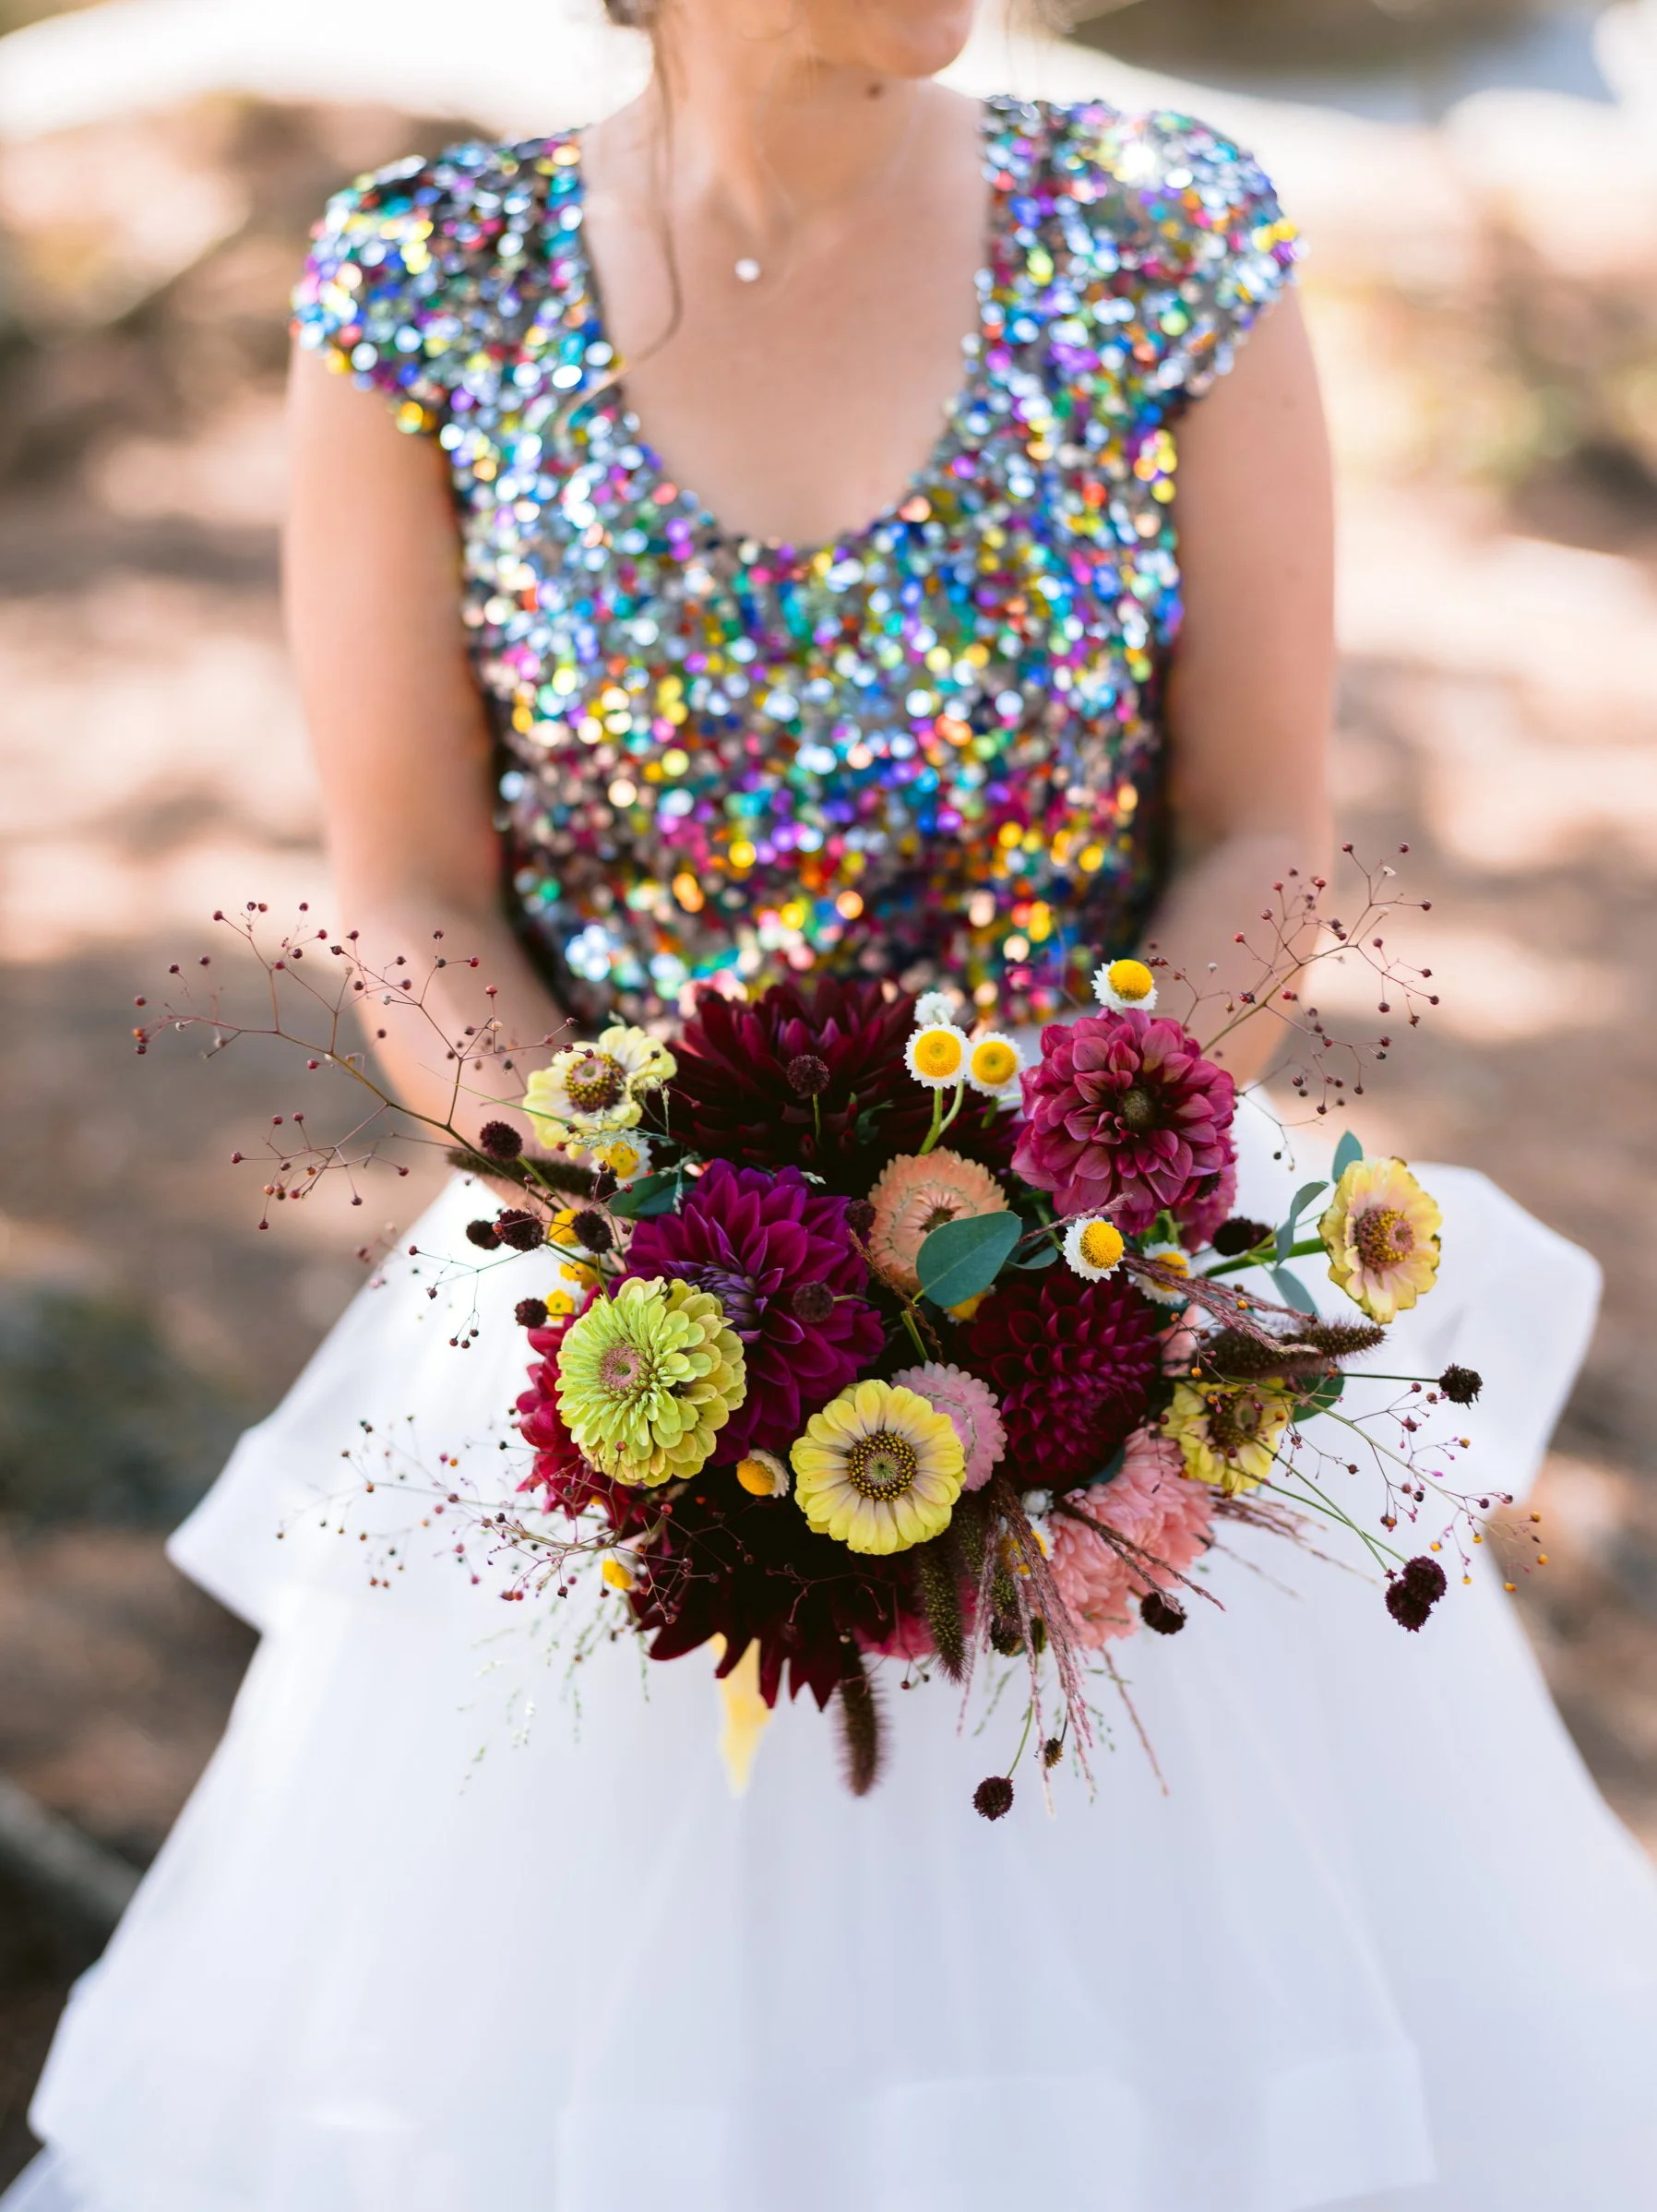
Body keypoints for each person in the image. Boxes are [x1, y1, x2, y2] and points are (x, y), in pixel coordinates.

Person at [11, 1, 1657, 2206]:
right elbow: (410, 896)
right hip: (620, 1329)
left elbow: (1261, 832)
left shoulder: (1166, 236)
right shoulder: (423, 279)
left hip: (1117, 1296)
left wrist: (1050, 1218)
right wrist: (665, 1250)